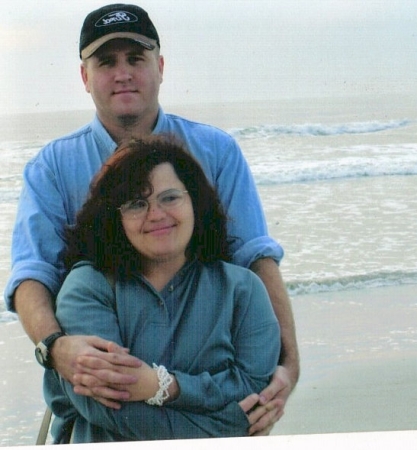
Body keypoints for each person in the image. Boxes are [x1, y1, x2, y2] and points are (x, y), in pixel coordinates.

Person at [5, 3, 299, 434]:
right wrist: (56, 347)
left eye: (136, 58)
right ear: (85, 78)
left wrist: (288, 366)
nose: (123, 73)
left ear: (160, 67)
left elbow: (254, 256)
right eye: (106, 62)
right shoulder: (52, 166)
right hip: (104, 397)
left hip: (207, 374)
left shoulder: (216, 151)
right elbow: (32, 274)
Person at [45, 137, 281, 442]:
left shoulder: (243, 288)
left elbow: (254, 386)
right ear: (115, 218)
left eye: (170, 198)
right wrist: (230, 426)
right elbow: (107, 406)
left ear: (195, 201)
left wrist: (165, 386)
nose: (156, 214)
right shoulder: (88, 287)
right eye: (136, 203)